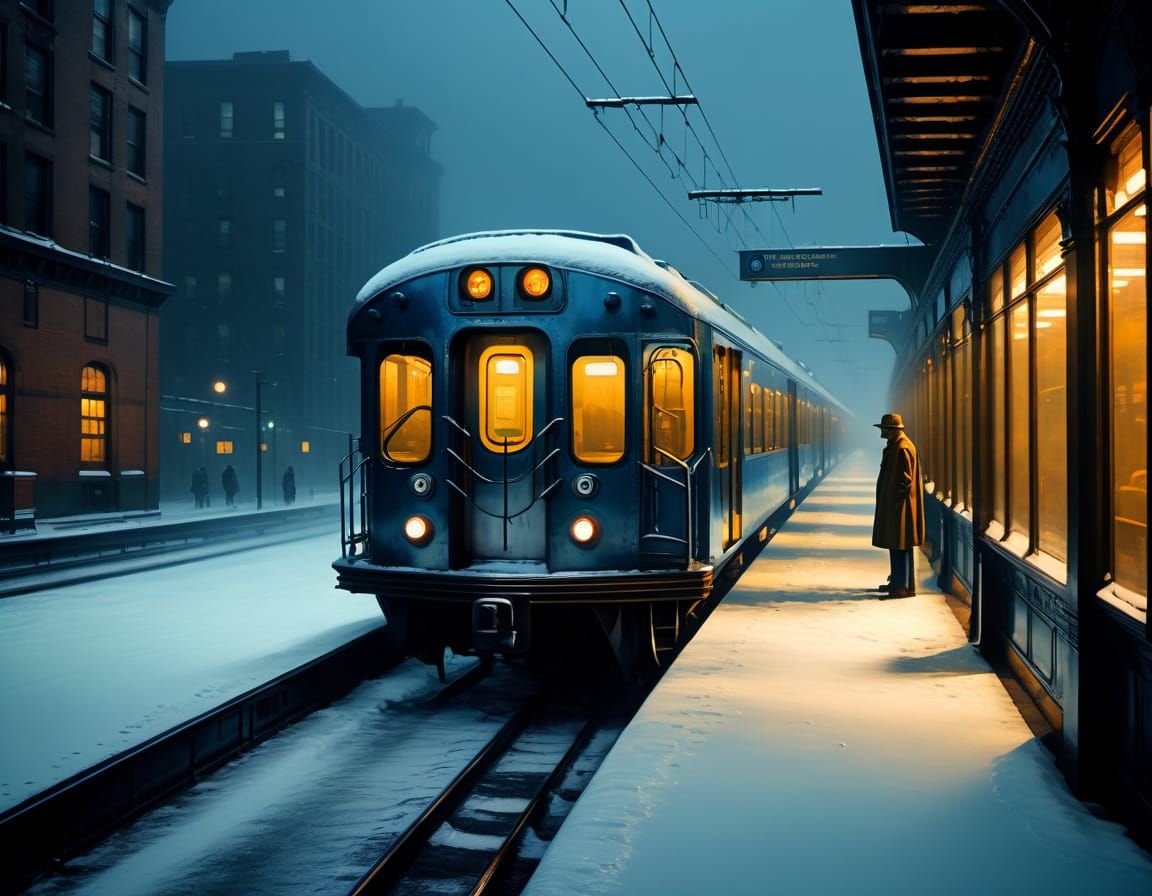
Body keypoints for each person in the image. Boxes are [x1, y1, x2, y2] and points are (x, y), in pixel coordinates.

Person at [872, 412, 925, 598]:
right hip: (898, 507)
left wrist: (895, 503)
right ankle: (898, 582)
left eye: (884, 429)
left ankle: (899, 587)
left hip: (900, 509)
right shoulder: (897, 445)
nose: (882, 433)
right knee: (897, 545)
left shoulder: (901, 448)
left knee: (898, 546)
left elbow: (905, 481)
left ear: (892, 430)